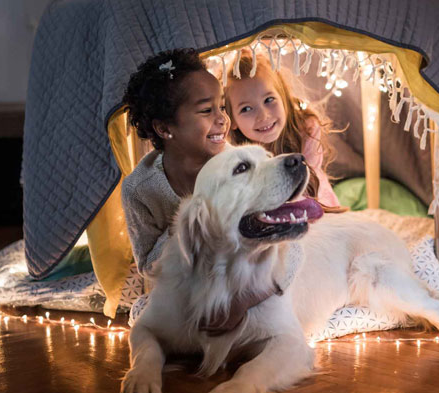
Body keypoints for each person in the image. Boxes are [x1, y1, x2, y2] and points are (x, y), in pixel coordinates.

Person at [121, 48, 230, 276]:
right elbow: (149, 267)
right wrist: (188, 222)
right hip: (182, 287)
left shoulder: (237, 167)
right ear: (164, 128)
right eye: (206, 110)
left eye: (222, 107)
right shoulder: (139, 190)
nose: (222, 119)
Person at [225, 52, 342, 209]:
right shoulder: (234, 152)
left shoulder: (306, 129)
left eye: (269, 100)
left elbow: (305, 187)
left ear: (283, 97)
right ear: (232, 120)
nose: (263, 116)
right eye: (246, 108)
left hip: (315, 203)